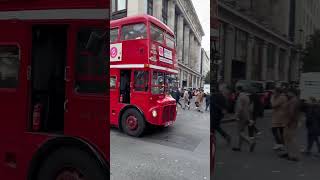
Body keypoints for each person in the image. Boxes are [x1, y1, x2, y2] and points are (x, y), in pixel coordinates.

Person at [232, 86, 256, 152]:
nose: (235, 92)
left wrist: (236, 116)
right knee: (242, 131)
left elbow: (239, 108)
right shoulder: (246, 96)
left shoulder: (240, 97)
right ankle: (239, 147)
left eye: (236, 90)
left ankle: (250, 141)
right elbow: (249, 107)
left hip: (241, 116)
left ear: (238, 90)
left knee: (240, 132)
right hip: (246, 115)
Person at [280, 89, 301, 161]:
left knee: (291, 139)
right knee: (287, 138)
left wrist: (288, 122)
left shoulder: (293, 101)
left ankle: (295, 155)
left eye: (289, 92)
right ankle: (289, 153)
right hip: (289, 122)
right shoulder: (292, 100)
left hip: (290, 122)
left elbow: (291, 113)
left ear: (293, 93)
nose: (287, 94)